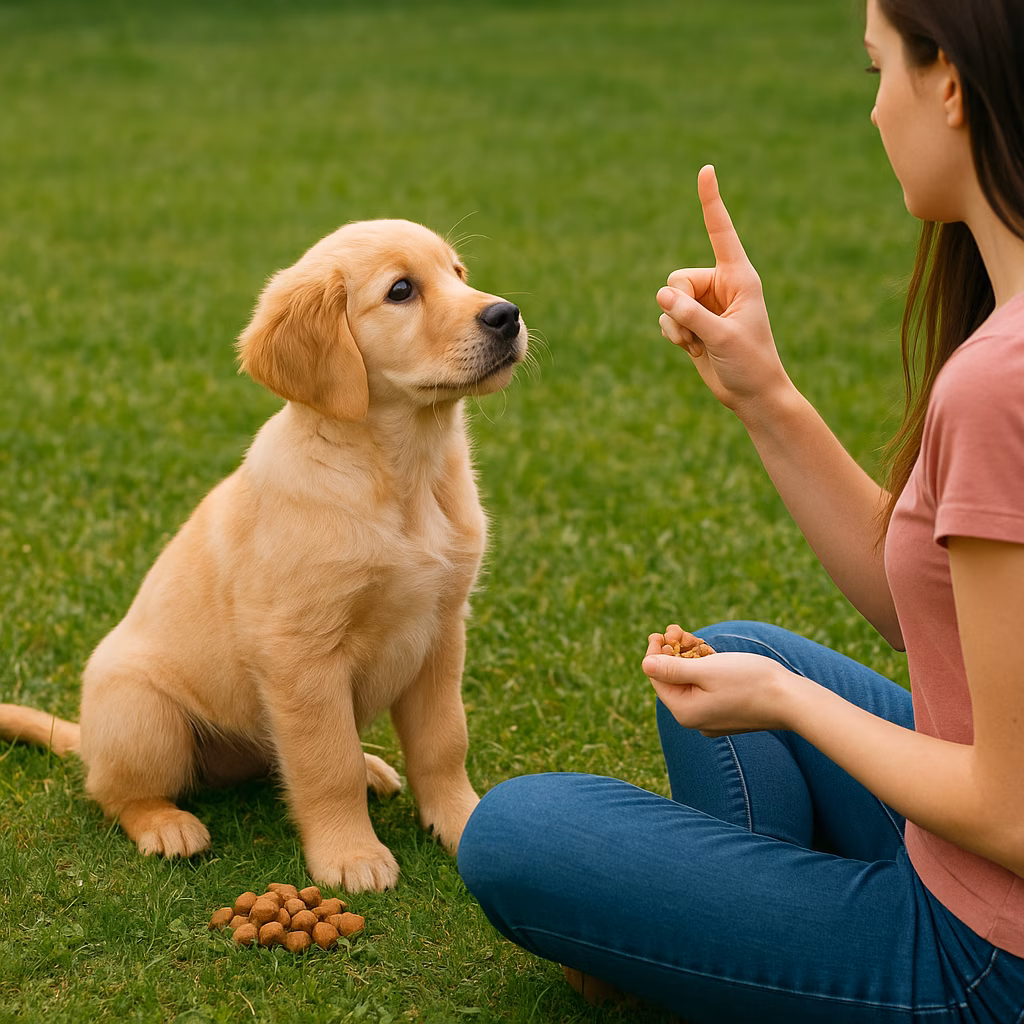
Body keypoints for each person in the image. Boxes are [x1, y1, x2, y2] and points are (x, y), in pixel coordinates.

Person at [456, 0, 1024, 1020]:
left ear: (949, 82)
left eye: (875, 72)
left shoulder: (999, 385)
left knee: (518, 830)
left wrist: (792, 699)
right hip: (977, 856)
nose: (873, 112)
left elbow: (1012, 812)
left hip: (987, 957)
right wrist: (765, 393)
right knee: (730, 650)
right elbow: (934, 619)